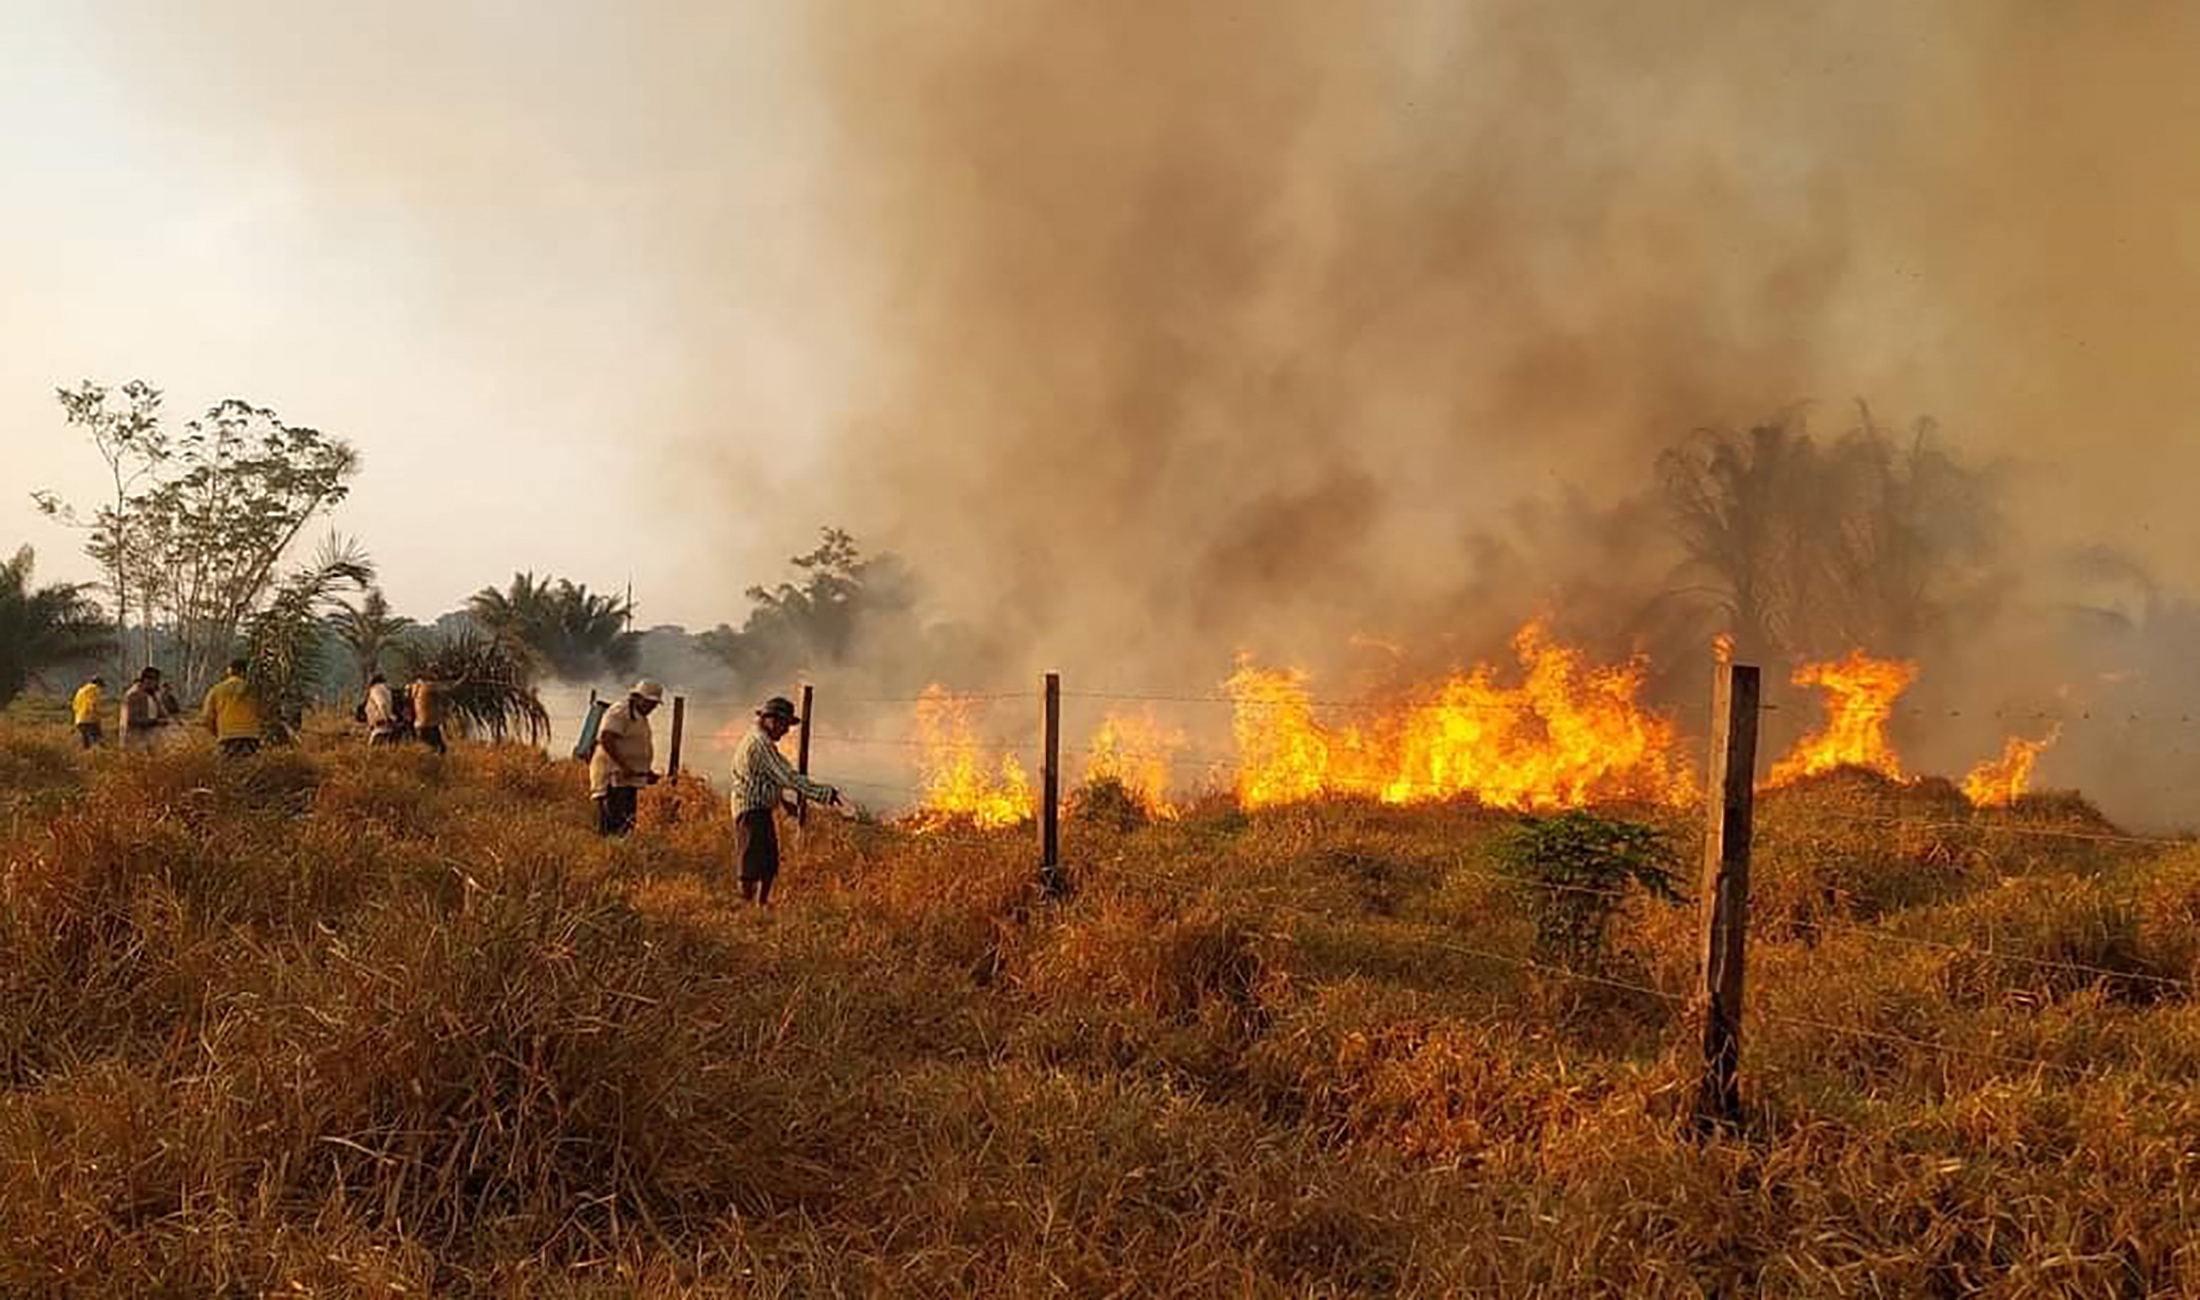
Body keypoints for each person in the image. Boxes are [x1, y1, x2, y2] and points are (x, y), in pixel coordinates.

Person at [726, 695, 840, 906]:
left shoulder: (762, 740)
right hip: (750, 810)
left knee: (768, 859)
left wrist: (783, 802)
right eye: (784, 724)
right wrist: (823, 793)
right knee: (750, 862)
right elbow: (786, 776)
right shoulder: (759, 744)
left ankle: (761, 904)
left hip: (760, 808)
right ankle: (746, 906)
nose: (787, 730)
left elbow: (766, 777)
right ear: (770, 720)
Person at [590, 679, 664, 836]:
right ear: (636, 697)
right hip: (613, 778)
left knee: (626, 824)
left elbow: (633, 746)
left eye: (654, 704)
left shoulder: (638, 716)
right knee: (614, 826)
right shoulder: (620, 711)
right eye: (649, 702)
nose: (651, 707)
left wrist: (646, 772)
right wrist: (623, 766)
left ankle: (620, 856)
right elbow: (606, 738)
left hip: (627, 779)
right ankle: (610, 855)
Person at [201, 657, 265, 757]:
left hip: (226, 736)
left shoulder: (216, 690)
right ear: (244, 672)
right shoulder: (253, 689)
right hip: (250, 737)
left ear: (229, 671)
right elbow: (262, 712)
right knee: (250, 769)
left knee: (228, 769)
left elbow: (207, 718)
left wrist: (217, 733)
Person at [407, 673, 463, 754]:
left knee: (438, 750)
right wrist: (460, 680)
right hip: (428, 726)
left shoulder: (417, 688)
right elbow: (448, 688)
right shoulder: (427, 687)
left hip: (421, 725)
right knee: (440, 750)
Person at [119, 667, 170, 752]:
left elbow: (161, 713)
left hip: (146, 740)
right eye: (156, 681)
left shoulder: (151, 694)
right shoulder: (134, 694)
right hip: (134, 741)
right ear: (147, 680)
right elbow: (132, 720)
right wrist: (156, 722)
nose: (157, 684)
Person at [362, 673, 400, 747]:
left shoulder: (376, 690)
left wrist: (387, 717)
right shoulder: (386, 690)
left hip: (380, 727)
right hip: (386, 726)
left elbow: (382, 704)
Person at [71, 675, 107, 748]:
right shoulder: (94, 689)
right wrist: (97, 716)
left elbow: (74, 705)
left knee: (86, 745)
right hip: (90, 719)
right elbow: (93, 704)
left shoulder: (80, 690)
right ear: (98, 684)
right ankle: (101, 757)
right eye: (101, 686)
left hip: (79, 720)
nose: (101, 689)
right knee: (99, 741)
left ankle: (87, 757)